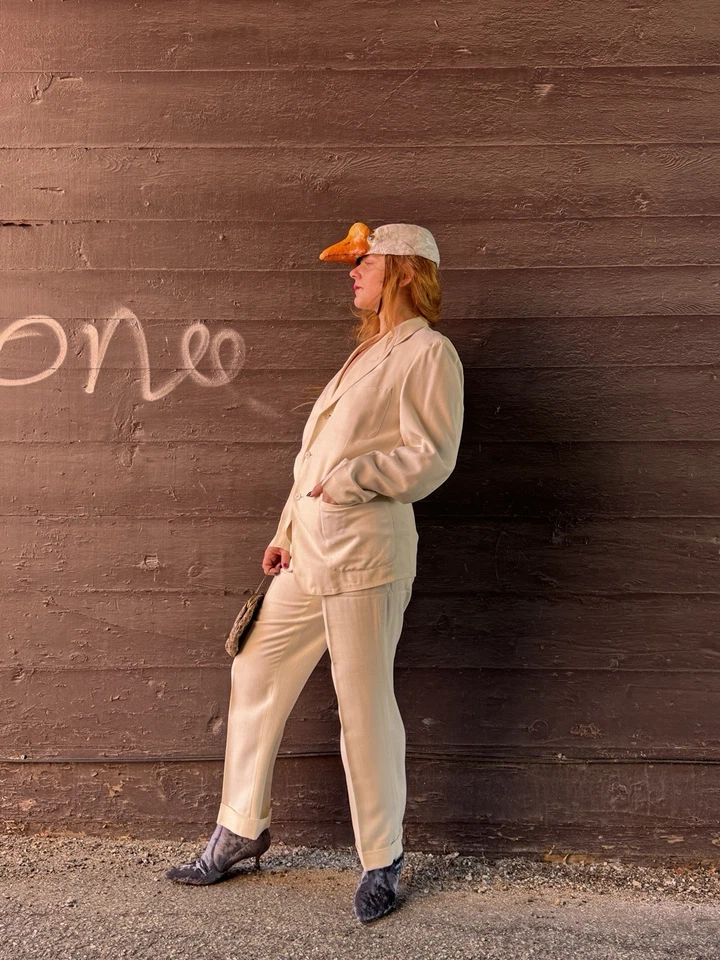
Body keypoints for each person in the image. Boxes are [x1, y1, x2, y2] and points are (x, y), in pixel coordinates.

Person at [165, 222, 465, 924]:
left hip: (366, 553)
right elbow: (313, 463)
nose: (351, 273)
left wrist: (355, 479)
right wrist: (284, 531)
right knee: (255, 667)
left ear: (399, 269)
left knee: (363, 704)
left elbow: (433, 454)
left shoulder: (429, 353)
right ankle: (241, 826)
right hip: (309, 551)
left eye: (362, 263)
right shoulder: (365, 354)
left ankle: (381, 859)